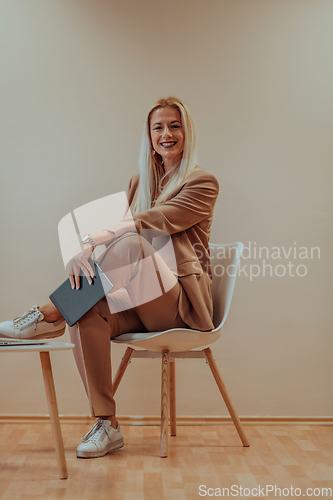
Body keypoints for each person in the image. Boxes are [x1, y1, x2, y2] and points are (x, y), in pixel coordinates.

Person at [0, 97, 219, 459]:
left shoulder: (202, 182)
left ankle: (46, 314)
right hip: (141, 298)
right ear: (149, 136)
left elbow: (159, 220)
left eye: (174, 125)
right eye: (158, 127)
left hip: (179, 305)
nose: (166, 133)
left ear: (187, 132)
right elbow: (118, 243)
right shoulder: (140, 182)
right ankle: (107, 424)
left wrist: (94, 238)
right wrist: (87, 251)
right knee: (85, 310)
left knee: (131, 245)